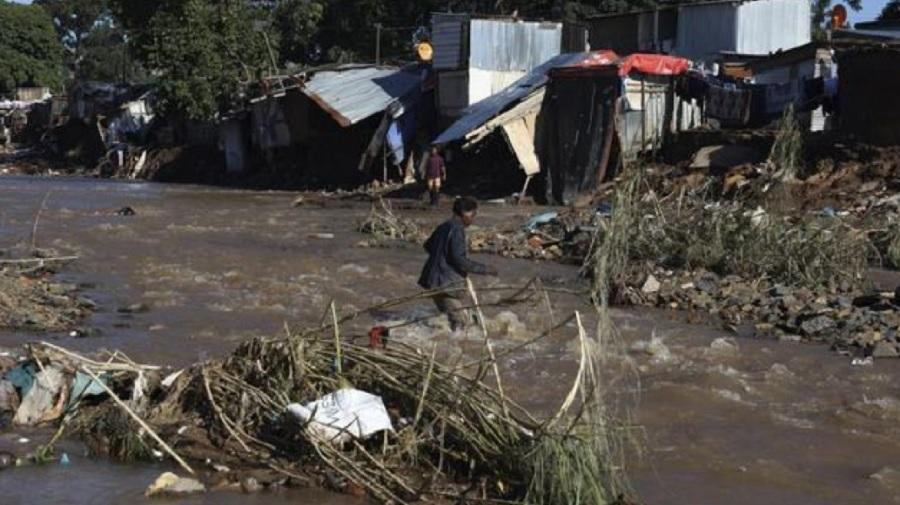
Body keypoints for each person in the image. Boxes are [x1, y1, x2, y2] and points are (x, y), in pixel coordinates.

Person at [418, 197, 497, 331]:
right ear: (464, 214)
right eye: (473, 215)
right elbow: (458, 260)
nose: (473, 219)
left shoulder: (444, 226)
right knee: (460, 322)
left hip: (432, 280)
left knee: (449, 320)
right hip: (445, 285)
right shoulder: (457, 229)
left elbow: (428, 246)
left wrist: (441, 255)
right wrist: (485, 269)